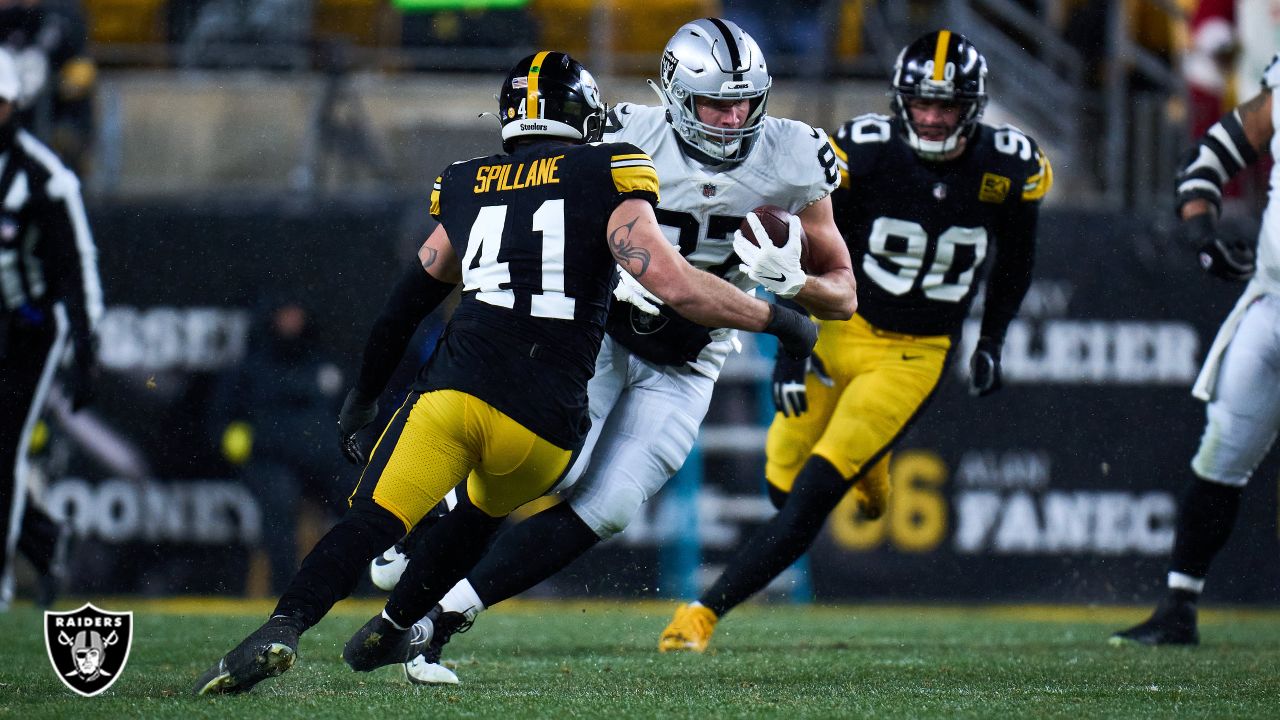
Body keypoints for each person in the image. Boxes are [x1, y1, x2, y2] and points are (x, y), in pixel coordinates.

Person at [192, 49, 819, 695]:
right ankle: (404, 619)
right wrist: (787, 322)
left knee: (369, 521)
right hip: (544, 426)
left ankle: (284, 625)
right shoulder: (612, 167)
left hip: (459, 391)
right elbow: (675, 285)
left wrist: (363, 397)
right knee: (488, 516)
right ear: (587, 117)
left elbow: (407, 303)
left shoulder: (463, 180)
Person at [373, 17, 857, 686]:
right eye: (715, 101)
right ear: (677, 95)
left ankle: (440, 620)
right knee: (544, 466)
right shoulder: (624, 133)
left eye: (744, 102)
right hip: (599, 330)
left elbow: (844, 296)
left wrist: (796, 282)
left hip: (692, 355)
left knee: (610, 506)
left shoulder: (796, 155)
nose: (731, 117)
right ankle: (427, 520)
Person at [658, 29, 1052, 652]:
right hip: (839, 328)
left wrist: (994, 339)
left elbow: (1016, 261)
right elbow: (805, 246)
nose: (930, 117)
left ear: (971, 107)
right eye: (921, 103)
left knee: (810, 497)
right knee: (781, 484)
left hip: (914, 353)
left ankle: (702, 614)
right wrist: (792, 347)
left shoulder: (1010, 164)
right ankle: (870, 465)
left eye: (945, 107)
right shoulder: (862, 151)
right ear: (900, 99)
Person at [1111, 54, 1280, 647]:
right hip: (1272, 306)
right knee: (1221, 453)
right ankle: (1179, 606)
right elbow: (1208, 158)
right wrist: (1202, 231)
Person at [0, 44, 99, 610]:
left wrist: (87, 348)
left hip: (25, 329)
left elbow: (75, 267)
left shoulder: (44, 178)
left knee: (5, 450)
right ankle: (44, 539)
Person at [211, 297, 347, 594]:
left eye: (297, 314)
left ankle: (362, 589)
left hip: (319, 458)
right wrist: (243, 443)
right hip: (269, 459)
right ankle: (286, 592)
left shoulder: (322, 364)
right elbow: (221, 421)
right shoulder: (251, 367)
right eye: (285, 315)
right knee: (279, 501)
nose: (292, 322)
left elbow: (350, 414)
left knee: (358, 497)